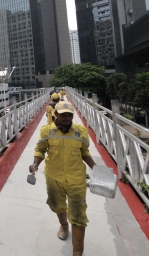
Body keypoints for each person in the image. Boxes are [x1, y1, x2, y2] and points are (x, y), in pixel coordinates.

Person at [29, 102, 95, 256]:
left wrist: (96, 168)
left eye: (70, 115)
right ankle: (64, 226)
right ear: (55, 115)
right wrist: (35, 164)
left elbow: (85, 152)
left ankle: (77, 252)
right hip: (54, 176)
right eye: (63, 114)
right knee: (58, 205)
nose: (67, 118)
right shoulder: (47, 131)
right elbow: (40, 149)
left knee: (79, 214)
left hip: (76, 178)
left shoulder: (80, 131)